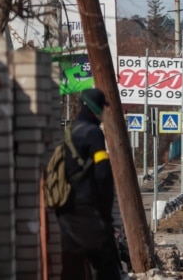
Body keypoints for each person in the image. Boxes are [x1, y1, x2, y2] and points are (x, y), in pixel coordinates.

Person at [56, 88, 121, 279]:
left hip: (66, 209)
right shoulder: (93, 134)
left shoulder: (69, 131)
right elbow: (102, 175)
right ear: (96, 108)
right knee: (106, 264)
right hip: (87, 209)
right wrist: (106, 211)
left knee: (72, 266)